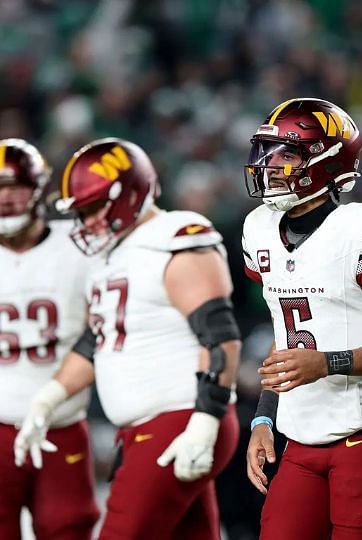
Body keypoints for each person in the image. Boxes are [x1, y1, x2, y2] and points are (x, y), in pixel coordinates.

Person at [14, 137, 241, 539]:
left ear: (129, 194)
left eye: (92, 208)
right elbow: (98, 341)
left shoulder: (175, 237)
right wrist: (48, 398)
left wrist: (205, 420)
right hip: (148, 428)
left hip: (180, 418)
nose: (85, 223)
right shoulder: (113, 253)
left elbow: (220, 339)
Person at [241, 97, 362, 539]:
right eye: (269, 152)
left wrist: (326, 363)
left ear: (324, 162)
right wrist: (264, 418)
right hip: (301, 437)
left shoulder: (361, 227)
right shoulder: (259, 228)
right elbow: (286, 337)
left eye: (287, 154)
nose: (270, 164)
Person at [0, 139, 100, 539]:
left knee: (68, 527)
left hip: (63, 420)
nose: (5, 199)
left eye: (16, 187)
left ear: (39, 188)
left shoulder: (78, 245)